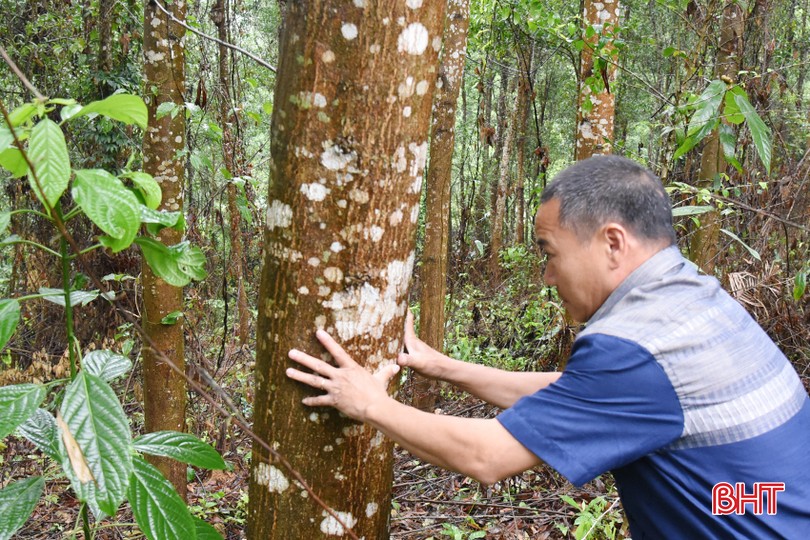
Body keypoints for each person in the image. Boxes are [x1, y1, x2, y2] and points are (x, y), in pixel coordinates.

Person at [286, 155, 810, 537]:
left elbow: (486, 456)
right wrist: (446, 368)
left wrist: (369, 404)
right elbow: (575, 393)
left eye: (550, 253)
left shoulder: (634, 347)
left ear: (611, 242)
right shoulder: (689, 297)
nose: (545, 276)